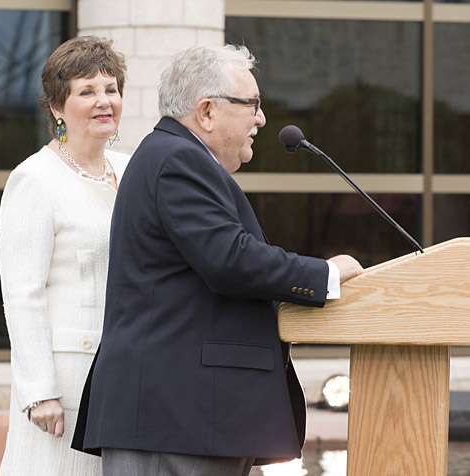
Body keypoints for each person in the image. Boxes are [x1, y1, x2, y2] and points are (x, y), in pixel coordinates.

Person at [72, 44, 364, 476]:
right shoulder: (177, 160)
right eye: (253, 105)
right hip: (173, 419)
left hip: (189, 420)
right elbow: (231, 260)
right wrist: (325, 274)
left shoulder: (177, 158)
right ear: (206, 112)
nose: (261, 120)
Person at [0, 36, 129, 476]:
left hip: (128, 376)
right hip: (66, 387)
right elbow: (22, 293)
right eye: (86, 91)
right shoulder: (35, 179)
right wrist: (39, 391)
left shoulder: (132, 170)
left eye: (111, 89)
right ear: (57, 107)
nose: (103, 101)